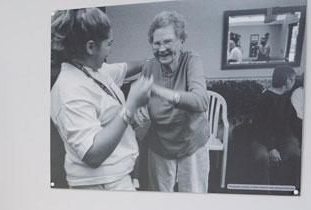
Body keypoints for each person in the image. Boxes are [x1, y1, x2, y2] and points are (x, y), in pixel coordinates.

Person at [50, 8, 152, 190]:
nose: (110, 50)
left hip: (115, 177)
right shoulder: (69, 88)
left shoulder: (93, 70)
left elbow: (126, 68)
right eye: (109, 44)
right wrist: (131, 105)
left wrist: (154, 60)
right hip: (100, 185)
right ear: (91, 47)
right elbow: (93, 154)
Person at [142, 11, 210, 193]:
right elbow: (143, 105)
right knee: (160, 203)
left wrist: (162, 92)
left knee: (193, 200)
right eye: (156, 43)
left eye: (167, 41)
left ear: (181, 41)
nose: (161, 48)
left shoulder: (191, 60)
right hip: (159, 145)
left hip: (191, 142)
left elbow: (201, 101)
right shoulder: (149, 66)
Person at [252, 65, 302, 188]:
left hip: (282, 138)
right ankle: (264, 192)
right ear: (287, 81)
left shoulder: (285, 99)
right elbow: (262, 127)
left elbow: (294, 121)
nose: (294, 83)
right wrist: (272, 148)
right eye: (293, 80)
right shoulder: (265, 99)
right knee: (261, 158)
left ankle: (288, 190)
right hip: (263, 139)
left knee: (294, 154)